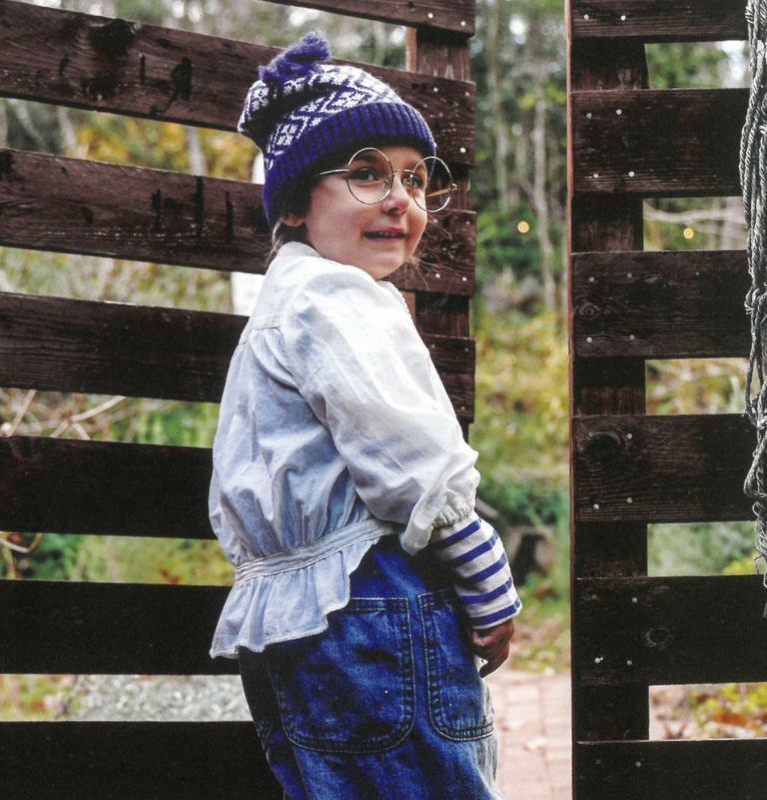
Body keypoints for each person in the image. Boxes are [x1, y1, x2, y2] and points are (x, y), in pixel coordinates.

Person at [208, 32, 521, 800]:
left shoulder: (289, 297)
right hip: (371, 605)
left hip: (295, 619)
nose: (399, 200)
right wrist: (486, 580)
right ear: (293, 202)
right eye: (366, 173)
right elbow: (410, 458)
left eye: (415, 180)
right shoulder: (335, 298)